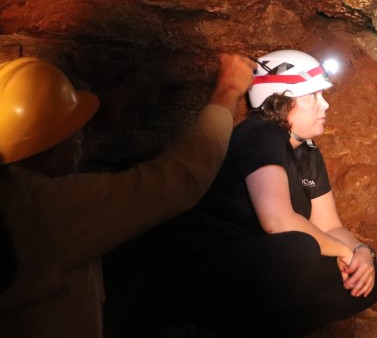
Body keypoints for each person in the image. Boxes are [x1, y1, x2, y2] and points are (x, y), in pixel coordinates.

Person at [0, 53, 256, 337]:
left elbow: (53, 166)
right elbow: (178, 180)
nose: (83, 136)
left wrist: (107, 117)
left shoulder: (14, 192)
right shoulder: (47, 208)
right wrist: (227, 91)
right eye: (75, 133)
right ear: (48, 153)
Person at [141, 49, 377, 337]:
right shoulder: (260, 134)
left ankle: (262, 330)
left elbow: (330, 226)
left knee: (371, 279)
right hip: (208, 267)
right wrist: (344, 250)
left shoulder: (308, 153)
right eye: (313, 97)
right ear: (281, 101)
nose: (325, 105)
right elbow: (277, 222)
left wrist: (360, 253)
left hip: (263, 269)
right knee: (299, 249)